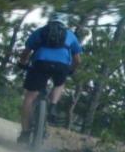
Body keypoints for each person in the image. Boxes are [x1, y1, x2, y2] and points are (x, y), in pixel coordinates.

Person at [16, 12, 83, 143]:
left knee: (30, 97)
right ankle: (52, 106)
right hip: (61, 66)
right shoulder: (70, 35)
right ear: (64, 23)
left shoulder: (40, 32)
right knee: (59, 84)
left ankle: (25, 133)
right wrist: (71, 70)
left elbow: (26, 52)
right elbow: (78, 60)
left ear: (50, 21)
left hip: (40, 64)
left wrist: (22, 63)